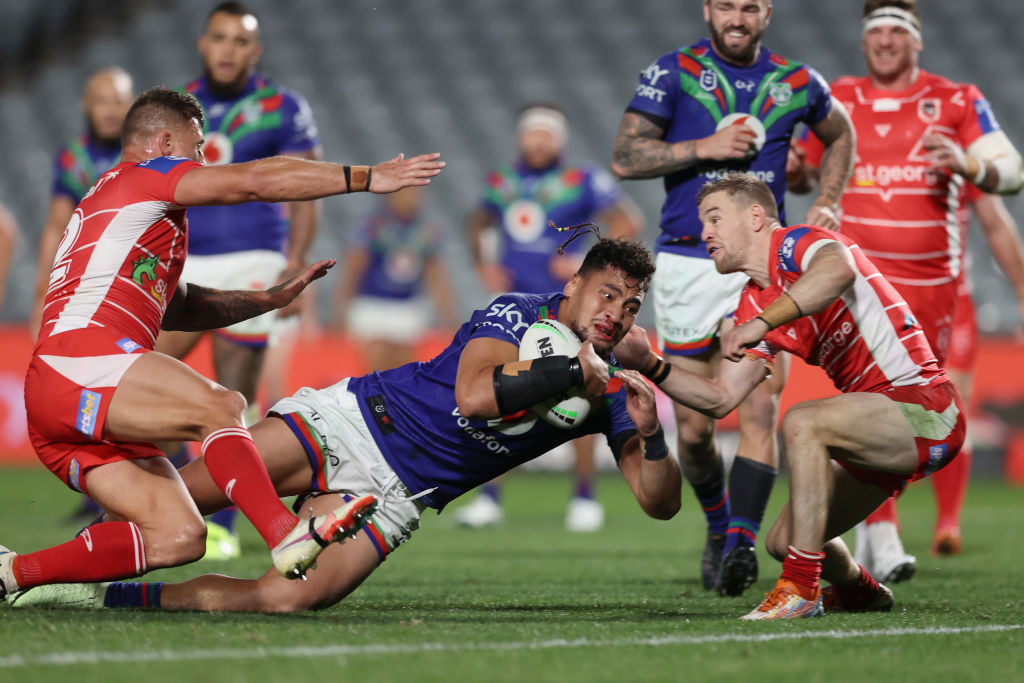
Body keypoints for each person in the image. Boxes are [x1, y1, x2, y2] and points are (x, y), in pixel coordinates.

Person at [9, 238, 681, 613]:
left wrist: (651, 433)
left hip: (399, 492)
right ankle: (37, 569)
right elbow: (477, 396)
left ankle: (110, 598)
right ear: (573, 288)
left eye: (631, 304)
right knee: (186, 497)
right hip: (352, 419)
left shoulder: (614, 389)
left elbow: (657, 502)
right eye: (608, 293)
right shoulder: (519, 312)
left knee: (284, 599)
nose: (616, 312)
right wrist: (571, 376)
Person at [0, 86, 445, 600]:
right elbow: (254, 182)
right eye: (197, 148)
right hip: (80, 361)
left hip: (58, 400)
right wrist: (367, 178)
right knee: (222, 405)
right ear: (165, 141)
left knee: (178, 536)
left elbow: (184, 305)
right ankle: (285, 533)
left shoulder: (125, 210)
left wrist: (267, 299)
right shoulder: (145, 177)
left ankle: (15, 574)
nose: (200, 160)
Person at [613, 173, 964, 619]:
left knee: (801, 420)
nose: (705, 233)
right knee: (784, 541)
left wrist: (760, 327)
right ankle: (861, 590)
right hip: (884, 431)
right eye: (703, 222)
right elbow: (722, 398)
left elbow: (837, 270)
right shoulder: (752, 302)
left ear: (756, 217)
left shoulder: (798, 244)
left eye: (715, 218)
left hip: (929, 408)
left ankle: (800, 587)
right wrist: (650, 363)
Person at [610, 0, 854, 594]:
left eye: (749, 7)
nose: (736, 17)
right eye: (726, 6)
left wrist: (827, 197)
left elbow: (840, 133)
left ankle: (742, 543)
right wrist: (704, 147)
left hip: (764, 262)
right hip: (690, 261)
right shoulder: (672, 72)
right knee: (694, 431)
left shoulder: (798, 82)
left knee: (759, 404)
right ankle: (720, 525)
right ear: (708, 10)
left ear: (766, 12)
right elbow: (625, 156)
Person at [789, 0, 1024, 582]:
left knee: (924, 412)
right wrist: (792, 169)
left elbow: (1010, 170)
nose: (887, 40)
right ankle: (883, 532)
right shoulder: (839, 98)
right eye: (877, 31)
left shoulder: (956, 100)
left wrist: (971, 162)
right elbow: (805, 170)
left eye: (899, 30)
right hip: (861, 285)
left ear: (917, 40)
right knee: (875, 402)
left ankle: (911, 523)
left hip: (934, 289)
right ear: (864, 41)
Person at [153, 2, 325, 559]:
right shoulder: (178, 106)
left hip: (253, 259)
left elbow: (307, 188)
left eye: (240, 40)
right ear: (204, 44)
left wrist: (292, 262)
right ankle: (164, 500)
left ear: (256, 50)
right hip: (183, 264)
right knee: (146, 388)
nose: (228, 49)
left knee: (232, 401)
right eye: (219, 38)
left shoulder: (282, 106)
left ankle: (223, 524)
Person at [460, 103, 645, 533]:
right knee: (500, 397)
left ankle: (584, 496)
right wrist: (481, 262)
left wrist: (586, 262)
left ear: (559, 139)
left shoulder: (582, 177)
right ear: (522, 137)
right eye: (532, 133)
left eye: (546, 134)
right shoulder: (502, 179)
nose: (538, 141)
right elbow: (477, 221)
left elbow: (628, 221)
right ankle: (489, 496)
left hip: (567, 309)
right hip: (513, 305)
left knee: (579, 397)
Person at [31, 66, 135, 336]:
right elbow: (57, 225)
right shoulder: (73, 157)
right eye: (101, 101)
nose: (110, 111)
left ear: (132, 104)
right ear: (85, 105)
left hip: (133, 279)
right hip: (83, 282)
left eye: (118, 101)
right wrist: (41, 290)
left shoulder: (145, 156)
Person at [332, 186, 459, 372]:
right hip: (372, 304)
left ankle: (394, 402)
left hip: (407, 307)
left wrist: (449, 316)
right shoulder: (373, 225)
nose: (412, 199)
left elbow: (436, 276)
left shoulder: (427, 230)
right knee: (375, 367)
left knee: (402, 371)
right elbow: (353, 268)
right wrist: (340, 308)